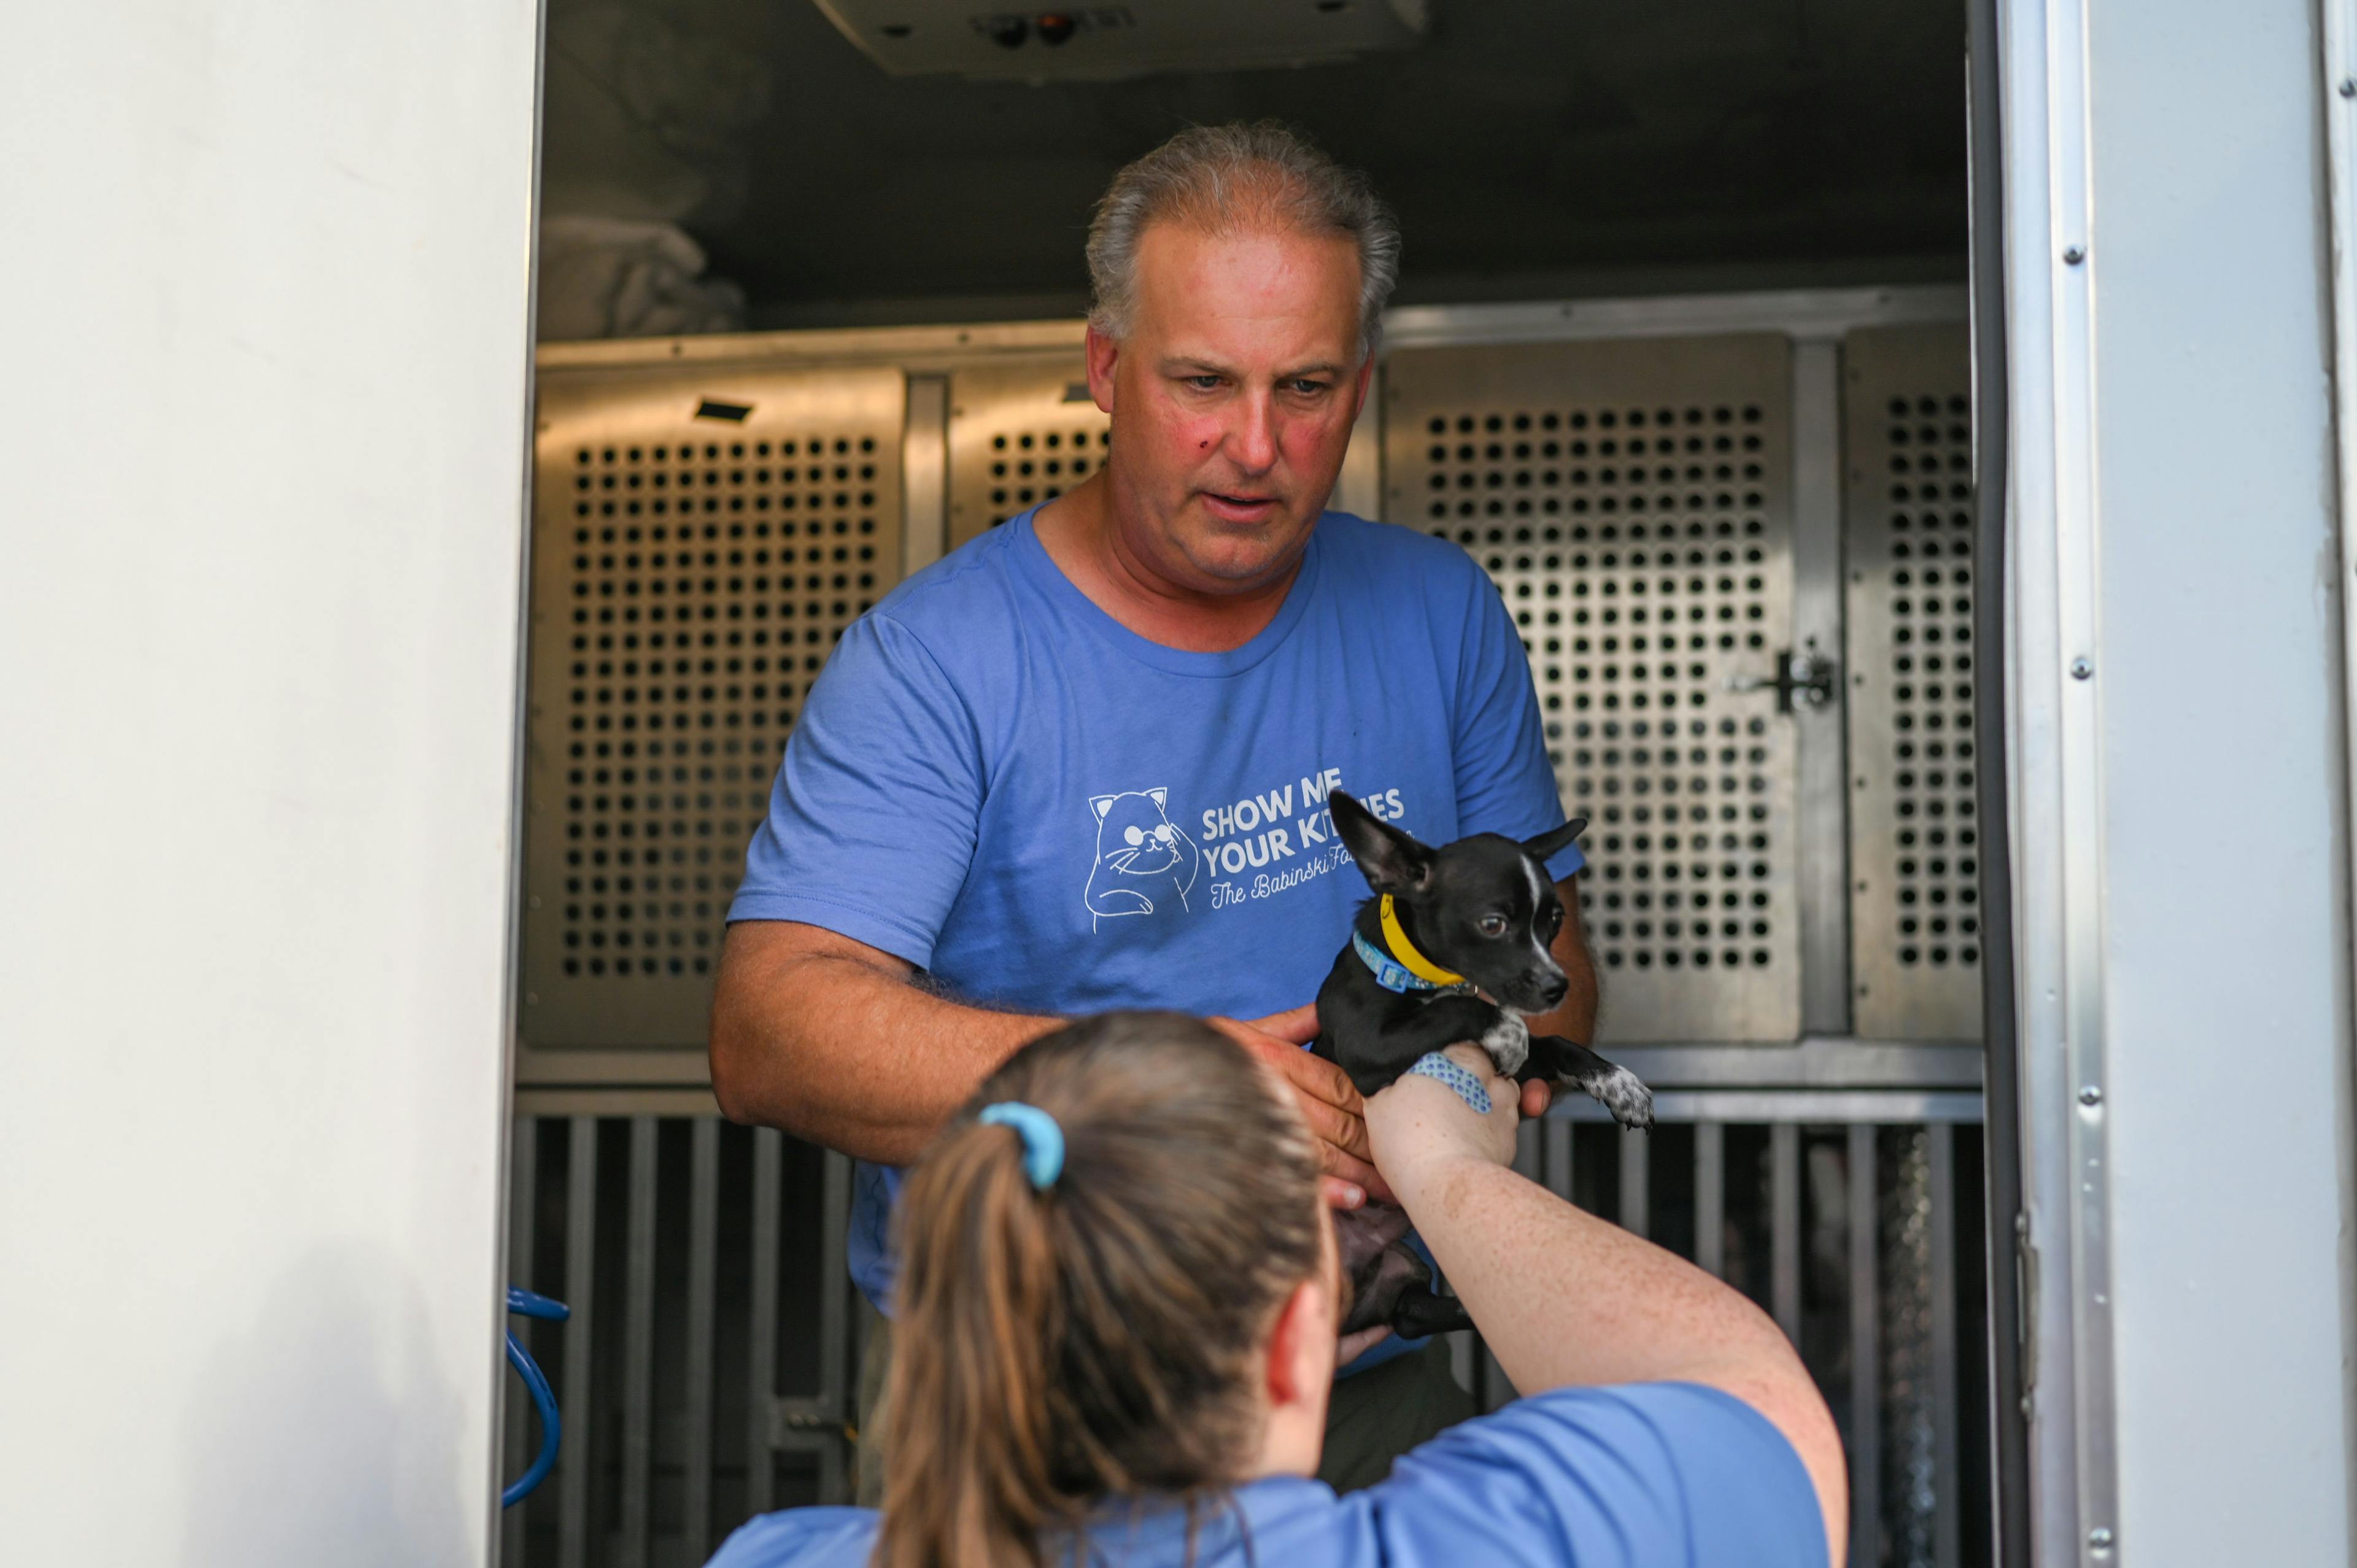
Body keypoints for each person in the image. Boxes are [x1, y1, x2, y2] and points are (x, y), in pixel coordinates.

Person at [710, 121, 1598, 1492]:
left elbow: (1558, 980)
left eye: (1305, 387)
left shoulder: (1442, 617)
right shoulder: (942, 658)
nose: (1255, 446)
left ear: (1361, 386)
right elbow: (773, 1032)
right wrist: (1171, 1090)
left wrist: (1448, 1084)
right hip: (1026, 1395)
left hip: (1366, 1378)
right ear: (1107, 371)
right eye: (1202, 382)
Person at [705, 1013, 1847, 1568]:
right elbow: (1761, 1411)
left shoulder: (775, 1558)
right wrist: (1438, 1163)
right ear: (1299, 1334)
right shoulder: (1506, 1542)